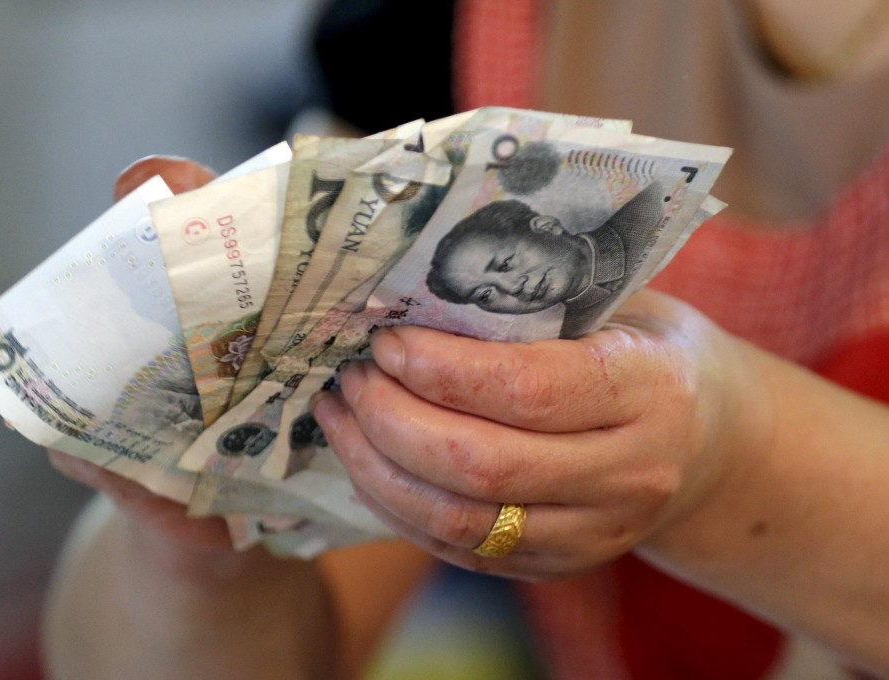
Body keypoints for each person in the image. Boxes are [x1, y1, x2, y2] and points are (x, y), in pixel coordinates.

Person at [43, 1, 889, 679]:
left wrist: (733, 457)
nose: (507, 294)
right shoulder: (435, 28)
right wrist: (201, 524)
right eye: (484, 288)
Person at [425, 182, 664, 338]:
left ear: (546, 226)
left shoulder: (648, 210)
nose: (511, 287)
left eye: (505, 264)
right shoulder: (568, 336)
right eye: (485, 294)